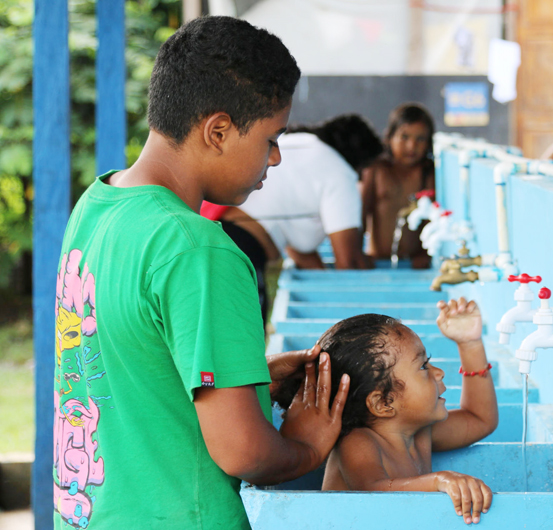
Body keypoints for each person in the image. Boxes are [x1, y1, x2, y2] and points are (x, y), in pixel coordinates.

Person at [53, 17, 349, 529]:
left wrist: (250, 380)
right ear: (217, 130)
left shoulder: (97, 207)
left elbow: (131, 364)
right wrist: (307, 447)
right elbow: (245, 452)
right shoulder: (199, 249)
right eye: (272, 137)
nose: (276, 158)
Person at [276, 298, 498, 525]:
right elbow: (372, 490)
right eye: (423, 366)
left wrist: (470, 345)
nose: (439, 372)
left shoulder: (420, 431)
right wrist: (439, 480)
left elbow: (480, 419)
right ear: (383, 403)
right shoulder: (358, 441)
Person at [221, 114, 383, 270]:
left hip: (220, 235)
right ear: (362, 164)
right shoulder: (342, 173)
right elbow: (349, 263)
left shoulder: (300, 142)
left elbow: (296, 244)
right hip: (244, 248)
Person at [361, 103, 436, 268]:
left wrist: (425, 254)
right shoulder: (376, 170)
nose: (411, 146)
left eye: (420, 139)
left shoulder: (428, 174)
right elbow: (361, 214)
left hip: (414, 264)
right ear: (389, 137)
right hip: (378, 262)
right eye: (404, 137)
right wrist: (358, 254)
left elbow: (432, 221)